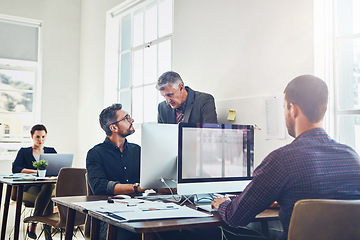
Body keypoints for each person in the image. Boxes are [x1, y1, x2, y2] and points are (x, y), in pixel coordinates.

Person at [211, 75, 360, 240]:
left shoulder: (282, 160)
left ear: (292, 109)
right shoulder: (352, 157)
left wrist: (223, 203)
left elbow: (236, 217)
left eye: (284, 107)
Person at [86, 103, 146, 240]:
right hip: (110, 216)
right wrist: (136, 187)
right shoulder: (95, 153)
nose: (132, 120)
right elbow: (99, 186)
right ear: (113, 127)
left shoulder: (137, 150)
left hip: (140, 211)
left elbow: (150, 177)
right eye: (126, 118)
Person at [12, 124, 56, 240]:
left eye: (43, 137)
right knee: (49, 199)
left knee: (48, 188)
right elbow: (16, 169)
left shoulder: (51, 151)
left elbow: (57, 169)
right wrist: (37, 171)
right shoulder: (24, 152)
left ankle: (34, 223)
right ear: (31, 136)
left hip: (46, 186)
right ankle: (48, 237)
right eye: (37, 137)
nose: (40, 140)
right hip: (29, 187)